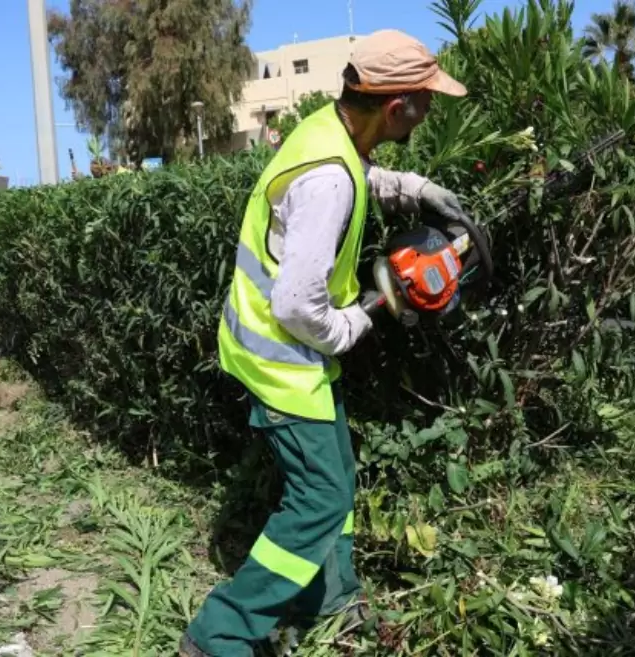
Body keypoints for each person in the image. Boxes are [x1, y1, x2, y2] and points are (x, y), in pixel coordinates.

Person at [180, 29, 470, 656]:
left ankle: (334, 599)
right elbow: (294, 304)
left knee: (335, 477)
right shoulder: (328, 180)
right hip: (282, 359)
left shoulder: (330, 132)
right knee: (321, 499)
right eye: (426, 100)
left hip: (291, 352)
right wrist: (361, 320)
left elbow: (362, 176)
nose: (430, 109)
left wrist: (418, 190)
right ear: (397, 108)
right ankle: (219, 633)